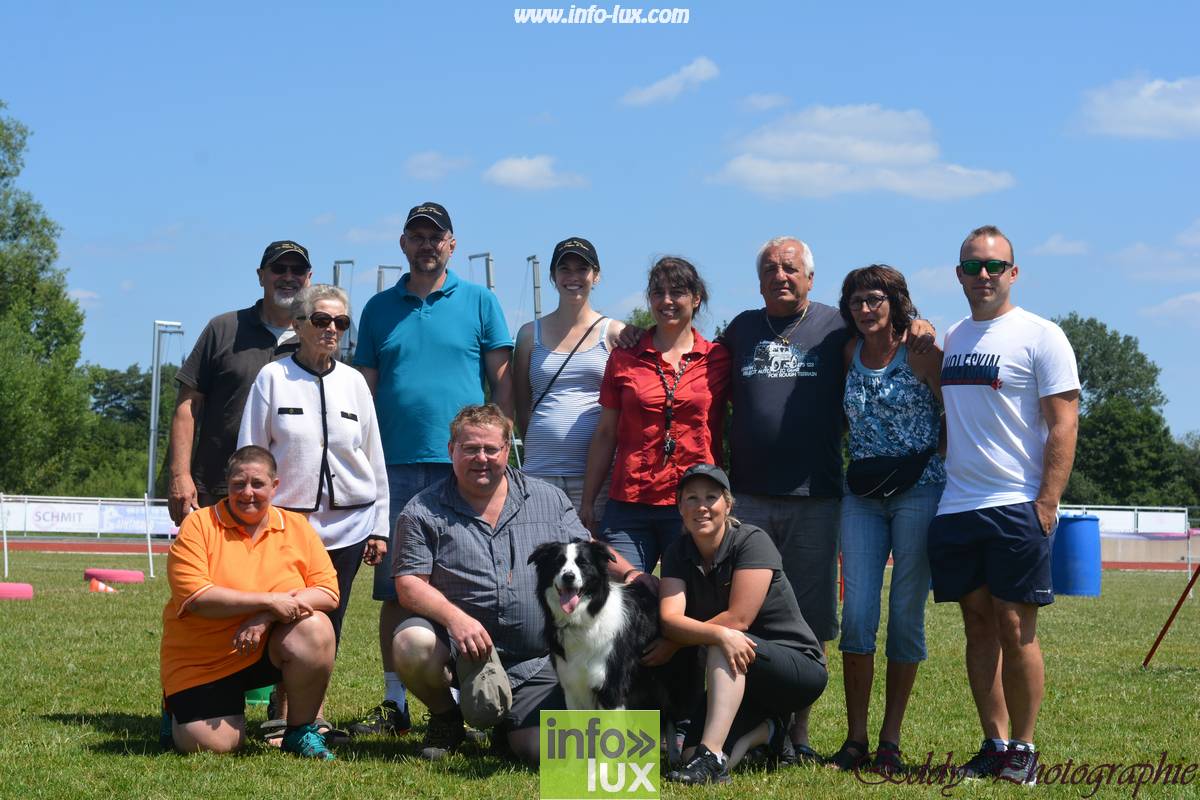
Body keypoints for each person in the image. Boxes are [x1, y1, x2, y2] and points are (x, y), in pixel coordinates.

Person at [719, 236, 934, 759]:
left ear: (810, 279)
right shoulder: (741, 329)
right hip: (747, 494)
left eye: (791, 268)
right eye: (770, 268)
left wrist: (921, 324)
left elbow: (893, 332)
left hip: (817, 494)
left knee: (811, 619)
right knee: (746, 614)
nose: (781, 276)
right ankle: (751, 722)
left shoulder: (837, 328)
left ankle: (799, 734)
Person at [390, 404, 640, 764]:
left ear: (508, 450)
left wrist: (633, 576)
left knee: (543, 752)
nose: (482, 458)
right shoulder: (421, 511)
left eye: (491, 449)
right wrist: (455, 619)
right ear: (451, 450)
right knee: (411, 641)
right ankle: (448, 719)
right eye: (470, 448)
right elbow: (410, 583)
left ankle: (510, 729)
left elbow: (587, 552)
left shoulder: (548, 499)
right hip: (464, 654)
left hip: (539, 659)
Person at [350, 202, 514, 737]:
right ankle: (395, 702)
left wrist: (506, 438)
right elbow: (364, 388)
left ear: (451, 243)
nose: (426, 245)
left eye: (435, 237)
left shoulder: (480, 301)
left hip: (468, 466)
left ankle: (479, 687)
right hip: (393, 465)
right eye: (416, 236)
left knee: (467, 579)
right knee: (398, 586)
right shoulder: (377, 308)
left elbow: (503, 380)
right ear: (403, 244)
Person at [928, 225, 1079, 785]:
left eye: (994, 266)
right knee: (977, 628)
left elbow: (1064, 423)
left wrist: (1047, 501)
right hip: (957, 505)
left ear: (1013, 273)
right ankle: (994, 746)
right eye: (972, 266)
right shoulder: (955, 335)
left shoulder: (1041, 336)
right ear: (959, 273)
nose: (983, 275)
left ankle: (1025, 748)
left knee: (1017, 629)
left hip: (1017, 503)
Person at [830, 265, 945, 775]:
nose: (865, 308)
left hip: (919, 491)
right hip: (862, 496)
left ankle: (889, 740)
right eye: (856, 300)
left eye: (874, 298)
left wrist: (936, 461)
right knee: (856, 614)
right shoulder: (850, 353)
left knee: (905, 615)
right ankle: (855, 738)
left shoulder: (920, 353)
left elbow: (955, 413)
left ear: (895, 301)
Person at [160, 445, 339, 760]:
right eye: (238, 484)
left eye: (257, 484)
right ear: (226, 486)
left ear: (275, 486)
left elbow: (328, 592)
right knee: (215, 746)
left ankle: (299, 730)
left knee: (317, 628)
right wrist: (269, 602)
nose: (247, 492)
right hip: (204, 658)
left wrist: (265, 617)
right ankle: (175, 710)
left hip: (262, 646)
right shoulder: (199, 525)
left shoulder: (296, 527)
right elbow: (198, 597)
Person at [238, 284, 388, 648]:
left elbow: (374, 458)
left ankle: (313, 702)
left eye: (340, 322)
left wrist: (379, 527)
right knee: (285, 612)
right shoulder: (272, 378)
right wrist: (251, 514)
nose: (331, 329)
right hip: (288, 523)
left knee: (331, 618)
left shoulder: (354, 382)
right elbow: (251, 452)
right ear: (299, 324)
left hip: (350, 525)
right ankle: (284, 701)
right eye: (321, 319)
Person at [659, 464, 828, 785]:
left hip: (797, 669)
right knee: (686, 754)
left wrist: (677, 641)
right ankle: (770, 733)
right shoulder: (677, 552)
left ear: (728, 504)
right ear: (679, 506)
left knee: (726, 637)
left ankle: (709, 757)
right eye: (691, 498)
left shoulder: (752, 540)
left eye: (711, 497)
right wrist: (677, 633)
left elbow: (738, 619)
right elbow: (669, 619)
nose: (701, 506)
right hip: (740, 677)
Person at [582, 256, 730, 574]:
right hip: (630, 503)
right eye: (657, 292)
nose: (666, 301)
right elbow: (606, 432)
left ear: (696, 298)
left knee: (692, 601)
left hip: (694, 501)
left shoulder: (718, 358)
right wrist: (588, 501)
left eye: (676, 292)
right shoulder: (624, 356)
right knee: (624, 596)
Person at [168, 240, 312, 524]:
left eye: (297, 270)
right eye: (278, 268)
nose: (288, 276)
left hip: (292, 496)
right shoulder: (223, 329)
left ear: (309, 278)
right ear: (261, 275)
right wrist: (179, 475)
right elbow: (187, 406)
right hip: (218, 486)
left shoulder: (316, 337)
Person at [513, 237, 625, 524]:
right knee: (539, 560)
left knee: (589, 564)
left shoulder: (615, 333)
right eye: (564, 269)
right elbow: (522, 405)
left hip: (594, 479)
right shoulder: (528, 334)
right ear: (553, 276)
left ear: (596, 276)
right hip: (539, 471)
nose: (573, 277)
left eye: (582, 269)